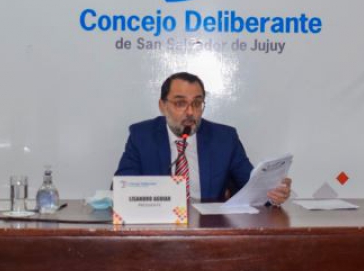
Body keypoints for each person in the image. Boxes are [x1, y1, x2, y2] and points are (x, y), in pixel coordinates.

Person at [115, 72, 291, 204]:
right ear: (163, 106)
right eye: (180, 103)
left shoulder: (224, 139)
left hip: (209, 228)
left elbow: (252, 185)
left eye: (197, 103)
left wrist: (272, 193)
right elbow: (122, 187)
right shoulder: (142, 136)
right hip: (159, 225)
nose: (190, 112)